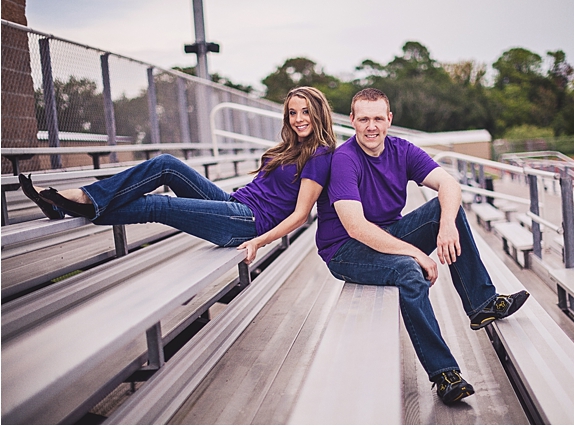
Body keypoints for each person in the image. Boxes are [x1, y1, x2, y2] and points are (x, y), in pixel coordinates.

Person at [315, 88, 529, 404]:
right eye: (363, 119)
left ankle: (481, 302)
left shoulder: (401, 150)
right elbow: (356, 227)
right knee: (408, 270)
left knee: (447, 210)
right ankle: (444, 374)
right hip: (347, 250)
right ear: (352, 121)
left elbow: (449, 184)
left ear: (389, 119)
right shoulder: (345, 160)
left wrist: (445, 229)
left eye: (377, 118)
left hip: (387, 233)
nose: (371, 126)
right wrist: (416, 253)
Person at [21, 86, 336, 264]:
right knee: (166, 165)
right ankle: (70, 203)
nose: (298, 119)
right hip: (233, 204)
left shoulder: (319, 154)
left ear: (318, 113)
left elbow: (300, 215)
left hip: (248, 223)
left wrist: (259, 242)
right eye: (293, 112)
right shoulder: (289, 147)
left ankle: (75, 202)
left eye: (306, 111)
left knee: (158, 206)